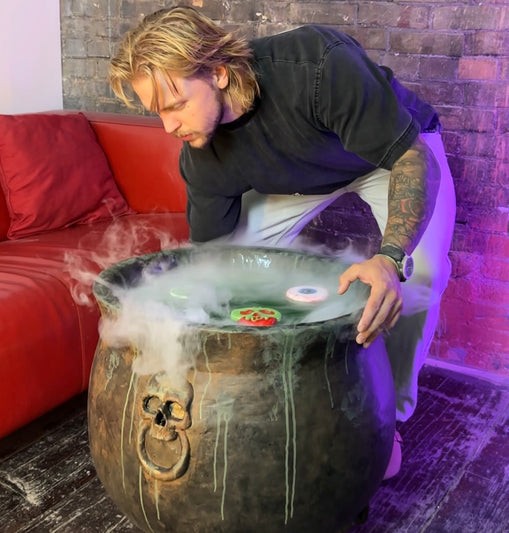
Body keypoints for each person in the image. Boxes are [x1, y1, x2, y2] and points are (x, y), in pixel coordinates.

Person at [108, 6, 456, 479]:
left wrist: (390, 258)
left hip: (389, 156)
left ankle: (385, 423)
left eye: (176, 104)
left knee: (421, 275)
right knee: (232, 269)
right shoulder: (202, 156)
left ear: (219, 73)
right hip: (299, 180)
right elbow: (212, 263)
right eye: (158, 113)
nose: (168, 126)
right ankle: (270, 382)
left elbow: (412, 158)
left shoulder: (319, 65)